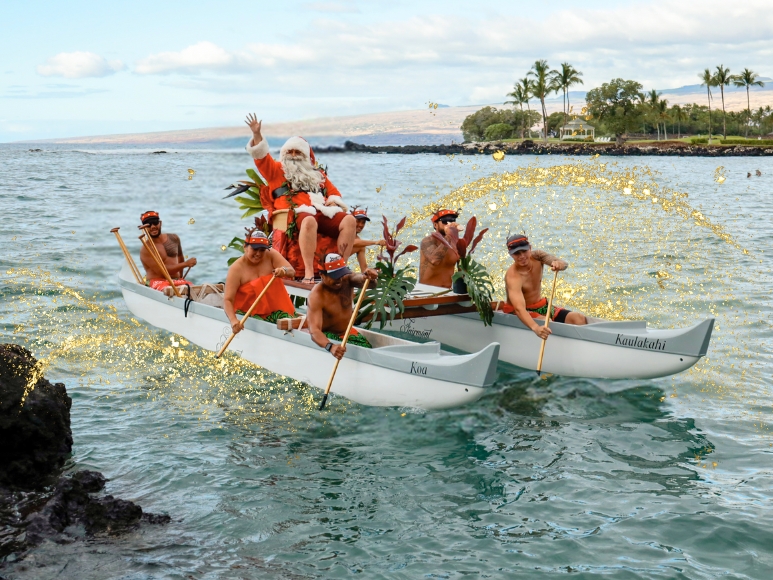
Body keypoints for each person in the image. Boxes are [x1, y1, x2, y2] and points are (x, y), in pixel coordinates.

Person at [244, 113, 356, 283]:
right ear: (284, 153)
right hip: (292, 214)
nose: (294, 155)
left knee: (349, 220)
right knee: (309, 221)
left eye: (298, 152)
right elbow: (260, 156)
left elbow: (334, 193)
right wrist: (257, 135)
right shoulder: (276, 170)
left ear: (305, 156)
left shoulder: (317, 174)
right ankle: (309, 273)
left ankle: (339, 268)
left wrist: (333, 200)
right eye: (290, 151)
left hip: (320, 212)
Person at [502, 234, 587, 339]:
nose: (522, 256)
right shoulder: (513, 276)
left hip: (541, 307)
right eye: (517, 253)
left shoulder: (538, 256)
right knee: (547, 324)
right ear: (510, 255)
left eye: (524, 251)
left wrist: (559, 264)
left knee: (578, 319)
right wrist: (536, 328)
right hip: (520, 312)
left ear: (530, 248)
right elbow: (519, 308)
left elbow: (563, 264)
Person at [223, 230, 296, 336]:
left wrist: (283, 270)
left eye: (262, 250)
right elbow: (228, 300)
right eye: (255, 249)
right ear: (245, 247)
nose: (258, 253)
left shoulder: (270, 255)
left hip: (276, 313)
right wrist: (233, 320)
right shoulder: (236, 269)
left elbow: (291, 271)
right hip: (250, 315)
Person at [306, 253, 378, 360]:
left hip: (348, 333)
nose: (339, 279)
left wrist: (369, 277)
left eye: (341, 274)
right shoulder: (316, 295)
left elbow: (369, 283)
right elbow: (314, 331)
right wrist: (331, 347)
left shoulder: (347, 279)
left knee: (369, 349)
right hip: (329, 337)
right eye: (335, 276)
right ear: (322, 275)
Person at [138, 211, 197, 292]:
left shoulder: (173, 238)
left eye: (155, 223)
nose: (152, 226)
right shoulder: (146, 249)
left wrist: (181, 278)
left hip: (176, 280)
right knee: (170, 291)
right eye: (148, 225)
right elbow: (162, 271)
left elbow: (180, 258)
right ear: (144, 228)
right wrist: (186, 264)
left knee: (194, 290)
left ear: (160, 223)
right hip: (157, 282)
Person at [419, 209, 467, 288]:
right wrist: (449, 236)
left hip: (447, 291)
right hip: (426, 291)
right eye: (445, 221)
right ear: (435, 225)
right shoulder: (427, 241)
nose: (449, 223)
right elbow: (434, 260)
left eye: (452, 220)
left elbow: (462, 272)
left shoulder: (457, 244)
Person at [351, 207, 385, 272]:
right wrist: (376, 242)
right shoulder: (343, 232)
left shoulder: (361, 245)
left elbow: (364, 270)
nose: (360, 225)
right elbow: (351, 242)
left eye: (363, 222)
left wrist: (376, 272)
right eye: (358, 221)